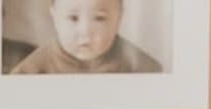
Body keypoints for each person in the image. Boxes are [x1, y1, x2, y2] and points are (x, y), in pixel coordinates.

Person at [12, 0, 163, 75]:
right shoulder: (31, 71)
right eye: (73, 18)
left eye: (99, 18)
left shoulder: (141, 68)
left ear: (119, 17)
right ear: (54, 17)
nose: (85, 31)